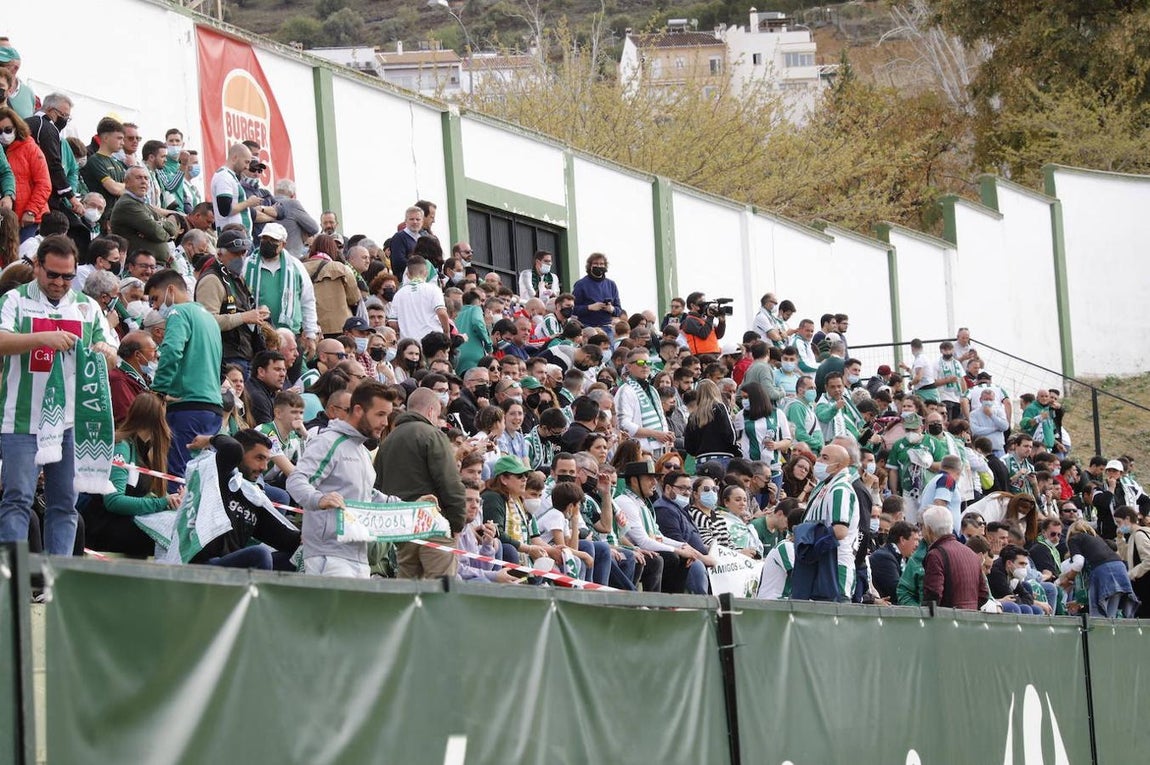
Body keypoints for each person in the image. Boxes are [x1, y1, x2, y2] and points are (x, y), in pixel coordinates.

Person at [0, 235, 116, 554]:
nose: (60, 283)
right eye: (53, 274)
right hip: (21, 418)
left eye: (67, 276)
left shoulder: (87, 307)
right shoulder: (14, 300)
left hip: (69, 422)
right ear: (37, 266)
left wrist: (106, 351)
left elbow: (111, 353)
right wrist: (41, 338)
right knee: (17, 500)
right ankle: (11, 574)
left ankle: (56, 576)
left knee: (64, 504)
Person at [288, 381, 403, 578]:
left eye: (387, 415)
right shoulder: (328, 442)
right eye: (380, 414)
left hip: (359, 556)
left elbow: (368, 496)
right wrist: (318, 499)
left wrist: (412, 507)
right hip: (328, 556)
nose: (385, 422)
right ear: (358, 410)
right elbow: (296, 480)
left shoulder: (362, 452)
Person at [374, 387, 467, 577]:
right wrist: (456, 523)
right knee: (440, 587)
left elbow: (377, 486)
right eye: (438, 416)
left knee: (407, 584)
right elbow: (450, 483)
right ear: (431, 411)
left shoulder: (387, 442)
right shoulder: (432, 435)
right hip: (433, 524)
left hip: (402, 526)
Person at [144, 268, 223, 479]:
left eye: (155, 298)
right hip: (212, 407)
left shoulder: (178, 313)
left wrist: (158, 390)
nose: (154, 306)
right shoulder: (209, 319)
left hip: (187, 406)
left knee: (177, 477)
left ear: (171, 290)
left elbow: (171, 351)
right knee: (200, 480)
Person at [80, 393, 180, 556]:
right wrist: (161, 502)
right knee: (167, 537)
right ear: (156, 420)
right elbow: (114, 501)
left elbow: (148, 494)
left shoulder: (145, 450)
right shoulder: (122, 447)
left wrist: (173, 499)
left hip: (126, 522)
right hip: (104, 525)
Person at [615, 459, 708, 594]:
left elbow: (658, 537)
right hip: (630, 550)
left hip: (643, 550)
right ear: (634, 481)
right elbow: (643, 541)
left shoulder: (643, 503)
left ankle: (673, 600)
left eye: (655, 478)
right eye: (649, 479)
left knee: (684, 556)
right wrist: (677, 550)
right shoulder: (625, 501)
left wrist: (683, 546)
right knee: (670, 557)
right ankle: (658, 600)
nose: (654, 483)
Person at [194, 228, 268, 374]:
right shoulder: (212, 280)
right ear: (220, 254)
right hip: (225, 357)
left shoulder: (235, 276)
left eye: (243, 252)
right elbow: (206, 322)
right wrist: (244, 317)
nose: (241, 258)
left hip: (244, 352)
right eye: (235, 253)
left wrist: (257, 313)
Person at [803, 444, 860, 600]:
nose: (818, 460)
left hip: (835, 567)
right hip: (822, 563)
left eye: (825, 458)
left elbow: (840, 531)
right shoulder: (826, 485)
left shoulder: (840, 489)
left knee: (835, 612)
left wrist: (806, 537)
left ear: (837, 466)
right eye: (820, 456)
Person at [921, 505, 988, 610]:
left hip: (946, 618)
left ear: (929, 530)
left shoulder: (936, 555)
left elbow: (933, 595)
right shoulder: (971, 554)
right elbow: (984, 594)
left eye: (923, 527)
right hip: (970, 617)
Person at [1065, 521, 1138, 618]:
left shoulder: (1074, 538)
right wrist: (1079, 601)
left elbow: (1078, 563)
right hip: (1120, 569)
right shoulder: (1097, 539)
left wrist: (1069, 577)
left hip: (1103, 570)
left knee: (1097, 614)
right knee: (1111, 615)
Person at [0, 106, 50, 241]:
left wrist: (31, 211)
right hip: (7, 217)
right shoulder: (3, 150)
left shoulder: (30, 148)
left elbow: (44, 184)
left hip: (28, 218)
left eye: (8, 130)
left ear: (16, 127)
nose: (4, 134)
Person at [614, 347, 674, 455]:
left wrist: (666, 434)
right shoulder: (625, 390)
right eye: (640, 363)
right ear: (629, 366)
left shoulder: (653, 390)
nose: (645, 366)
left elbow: (661, 418)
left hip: (661, 450)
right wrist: (655, 434)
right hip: (639, 452)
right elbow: (623, 425)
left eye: (648, 363)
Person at [684, 378, 739, 469]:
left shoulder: (693, 416)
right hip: (722, 458)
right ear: (715, 391)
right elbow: (730, 434)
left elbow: (688, 445)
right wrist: (735, 450)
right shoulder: (720, 408)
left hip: (701, 460)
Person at [107, 330, 156, 423]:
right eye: (154, 350)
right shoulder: (118, 380)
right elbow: (126, 420)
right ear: (137, 355)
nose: (157, 355)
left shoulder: (143, 378)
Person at [571, 253, 622, 335]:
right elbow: (573, 309)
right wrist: (589, 307)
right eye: (595, 263)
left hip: (607, 328)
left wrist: (611, 309)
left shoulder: (611, 284)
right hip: (587, 327)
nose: (599, 266)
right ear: (590, 266)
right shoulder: (581, 284)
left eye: (601, 264)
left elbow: (619, 310)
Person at [869, 521, 919, 602]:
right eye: (915, 540)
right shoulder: (884, 557)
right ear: (902, 540)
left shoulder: (904, 558)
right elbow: (897, 591)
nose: (917, 545)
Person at [1114, 506, 1150, 618]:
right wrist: (1120, 539)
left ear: (1127, 519)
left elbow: (1148, 560)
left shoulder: (1139, 535)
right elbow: (1126, 556)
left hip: (1145, 582)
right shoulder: (1133, 536)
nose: (1118, 526)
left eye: (1119, 522)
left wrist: (1131, 574)